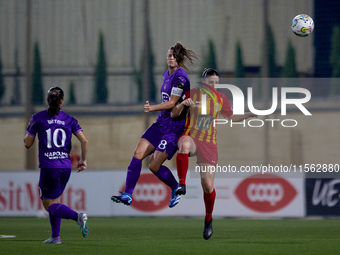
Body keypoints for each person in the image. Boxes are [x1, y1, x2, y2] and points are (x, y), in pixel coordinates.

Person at [171, 68, 257, 240]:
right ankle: (182, 184)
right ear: (204, 82)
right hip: (193, 138)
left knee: (208, 186)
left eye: (216, 83)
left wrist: (249, 114)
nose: (214, 85)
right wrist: (182, 104)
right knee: (184, 143)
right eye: (211, 82)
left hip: (209, 145)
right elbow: (174, 113)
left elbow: (231, 117)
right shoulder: (192, 93)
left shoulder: (220, 98)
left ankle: (208, 219)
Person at [111, 42, 198, 208]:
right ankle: (128, 194)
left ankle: (174, 188)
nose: (170, 58)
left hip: (174, 128)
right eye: (168, 55)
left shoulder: (181, 78)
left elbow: (172, 103)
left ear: (178, 58)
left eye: (173, 56)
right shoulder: (166, 74)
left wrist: (152, 107)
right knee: (138, 153)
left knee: (153, 165)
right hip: (160, 123)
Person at [24, 87, 89, 244]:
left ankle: (77, 217)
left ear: (47, 100)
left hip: (49, 166)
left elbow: (28, 143)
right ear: (62, 101)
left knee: (49, 205)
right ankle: (55, 237)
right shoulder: (70, 119)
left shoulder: (38, 118)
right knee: (54, 200)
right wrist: (83, 160)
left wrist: (29, 128)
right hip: (65, 167)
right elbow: (84, 141)